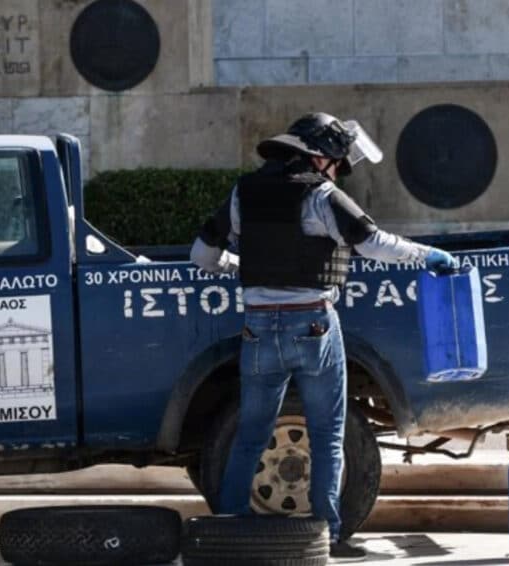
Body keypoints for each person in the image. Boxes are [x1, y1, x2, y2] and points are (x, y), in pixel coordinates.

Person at [190, 112, 458, 559]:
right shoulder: (321, 195)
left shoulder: (243, 192)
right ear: (319, 157)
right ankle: (327, 533)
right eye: (336, 162)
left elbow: (202, 255)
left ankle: (231, 525)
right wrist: (427, 255)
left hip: (258, 326)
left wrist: (237, 267)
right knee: (327, 433)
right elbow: (373, 243)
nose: (337, 170)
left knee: (252, 431)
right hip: (312, 322)